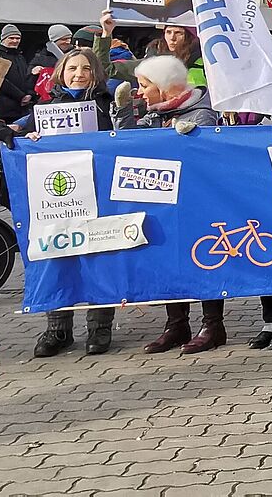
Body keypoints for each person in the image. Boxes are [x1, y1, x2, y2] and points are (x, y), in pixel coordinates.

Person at [112, 55, 225, 353]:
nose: (139, 92)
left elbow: (204, 156)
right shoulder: (156, 112)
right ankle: (176, 325)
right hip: (163, 201)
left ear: (165, 88)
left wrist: (188, 140)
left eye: (144, 86)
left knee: (203, 259)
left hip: (196, 202)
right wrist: (123, 110)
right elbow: (129, 144)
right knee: (167, 262)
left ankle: (212, 325)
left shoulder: (202, 112)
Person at [18, 49, 118, 356]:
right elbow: (14, 130)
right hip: (59, 199)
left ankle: (99, 327)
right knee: (58, 256)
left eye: (86, 68)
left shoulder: (107, 106)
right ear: (61, 72)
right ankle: (57, 330)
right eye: (72, 68)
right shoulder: (45, 108)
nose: (78, 73)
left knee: (100, 255)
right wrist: (27, 136)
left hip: (98, 194)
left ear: (95, 73)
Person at [95, 12, 207, 90]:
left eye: (178, 33)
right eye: (168, 32)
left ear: (189, 36)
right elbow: (105, 68)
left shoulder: (205, 61)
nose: (172, 38)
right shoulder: (151, 64)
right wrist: (106, 33)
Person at [0, 25, 34, 123]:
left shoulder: (20, 56)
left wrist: (29, 94)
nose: (15, 41)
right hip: (3, 109)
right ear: (3, 39)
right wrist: (20, 96)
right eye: (11, 38)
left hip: (21, 108)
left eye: (18, 38)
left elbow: (25, 76)